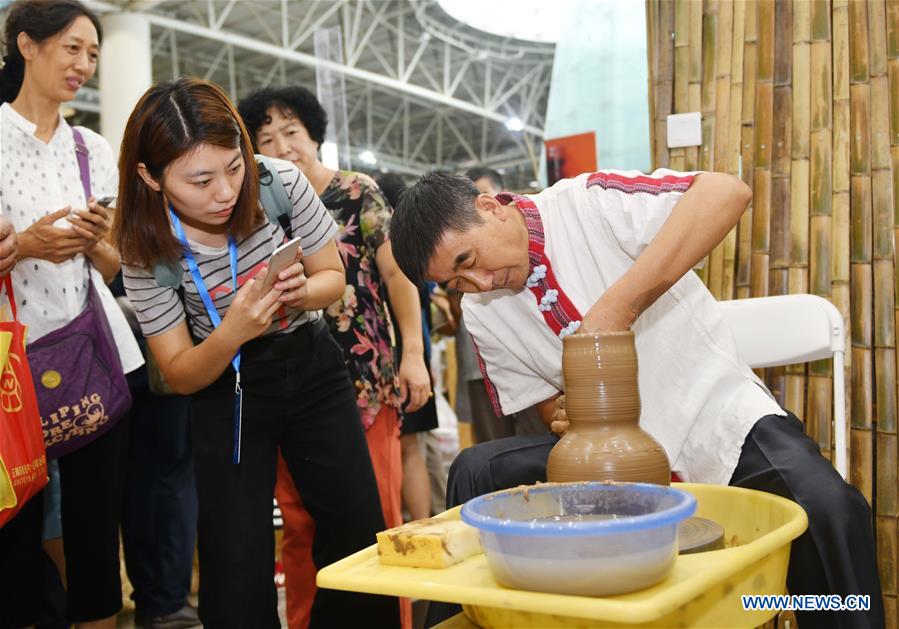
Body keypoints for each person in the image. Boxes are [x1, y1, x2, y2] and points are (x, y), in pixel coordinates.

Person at [390, 169, 884, 629]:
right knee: (476, 470)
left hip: (713, 419)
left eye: (468, 261)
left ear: (490, 207)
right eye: (456, 284)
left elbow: (724, 193)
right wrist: (565, 414)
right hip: (609, 468)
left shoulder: (586, 203)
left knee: (829, 510)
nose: (477, 285)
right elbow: (547, 410)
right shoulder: (482, 313)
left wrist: (615, 309)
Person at [116, 77, 398, 629]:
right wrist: (232, 332)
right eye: (200, 179)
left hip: (313, 367)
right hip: (225, 385)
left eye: (234, 166)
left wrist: (298, 292)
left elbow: (332, 279)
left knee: (355, 530)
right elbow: (180, 373)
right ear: (151, 176)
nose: (224, 192)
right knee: (234, 553)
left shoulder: (280, 183)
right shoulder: (146, 249)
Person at [238, 86, 430, 629]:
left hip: (365, 381)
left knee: (375, 521)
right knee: (299, 527)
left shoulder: (356, 192)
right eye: (266, 138)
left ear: (315, 134)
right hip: (288, 384)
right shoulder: (253, 208)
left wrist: (413, 355)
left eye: (291, 131)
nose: (282, 145)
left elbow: (397, 276)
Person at [0, 2, 144, 627]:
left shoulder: (90, 146)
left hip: (93, 355)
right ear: (26, 45)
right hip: (12, 368)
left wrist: (93, 242)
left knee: (94, 532)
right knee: (14, 533)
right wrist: (24, 246)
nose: (84, 65)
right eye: (72, 48)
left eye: (92, 53)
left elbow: (118, 269)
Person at [453, 167, 544, 443]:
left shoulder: (522, 251)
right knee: (496, 444)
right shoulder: (466, 264)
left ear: (494, 202)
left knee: (538, 438)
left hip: (532, 362)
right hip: (480, 366)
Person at [376, 171, 441, 520]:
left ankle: (410, 523)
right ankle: (420, 523)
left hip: (397, 354)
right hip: (415, 354)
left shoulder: (389, 251)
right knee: (411, 448)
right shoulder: (415, 251)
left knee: (403, 449)